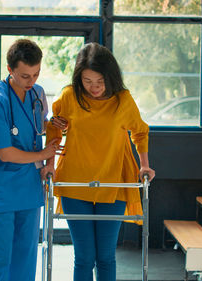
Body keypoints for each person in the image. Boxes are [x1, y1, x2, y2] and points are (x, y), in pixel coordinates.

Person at [44, 42, 156, 281]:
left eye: (100, 81)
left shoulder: (123, 100)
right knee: (84, 256)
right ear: (78, 78)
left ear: (111, 76)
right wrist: (50, 163)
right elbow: (53, 128)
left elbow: (140, 131)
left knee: (105, 256)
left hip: (113, 182)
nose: (94, 88)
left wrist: (144, 164)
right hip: (75, 182)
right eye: (87, 81)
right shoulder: (69, 96)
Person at [0, 39, 61, 281]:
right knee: (0, 257)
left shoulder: (37, 94)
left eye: (36, 74)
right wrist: (44, 155)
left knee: (26, 254)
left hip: (28, 185)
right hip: (1, 187)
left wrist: (52, 124)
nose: (31, 81)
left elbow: (35, 125)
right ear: (10, 69)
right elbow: (5, 153)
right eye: (25, 76)